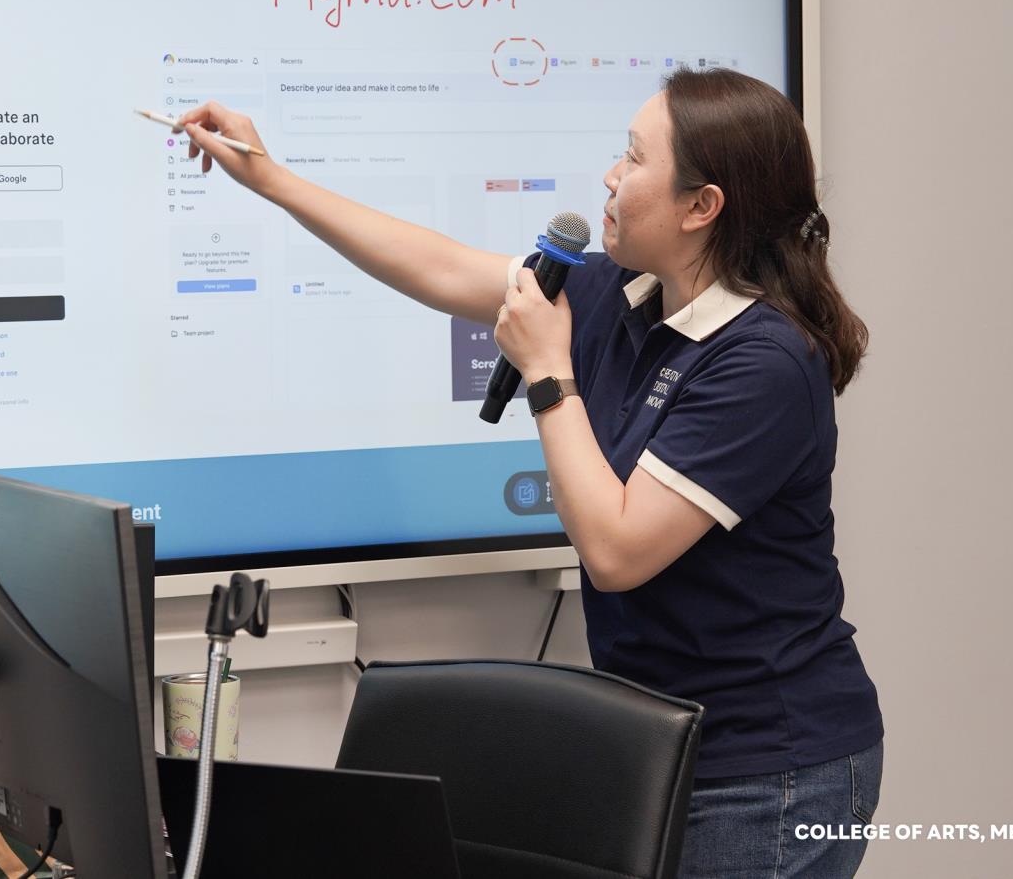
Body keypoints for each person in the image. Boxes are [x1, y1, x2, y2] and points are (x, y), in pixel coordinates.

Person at [179, 67, 884, 878]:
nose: (610, 177)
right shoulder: (626, 290)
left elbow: (616, 550)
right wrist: (269, 178)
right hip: (669, 748)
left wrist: (549, 374)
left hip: (769, 771)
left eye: (634, 158)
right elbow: (443, 267)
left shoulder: (763, 361)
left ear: (701, 206)